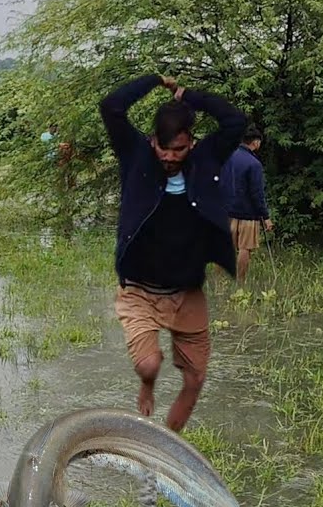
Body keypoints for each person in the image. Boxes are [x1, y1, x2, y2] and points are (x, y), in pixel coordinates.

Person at [99, 73, 247, 433]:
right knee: (149, 364)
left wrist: (187, 95)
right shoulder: (135, 155)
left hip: (187, 292)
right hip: (140, 289)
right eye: (162, 148)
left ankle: (166, 446)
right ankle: (147, 383)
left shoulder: (207, 157)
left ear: (191, 143)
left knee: (195, 380)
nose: (169, 156)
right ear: (152, 141)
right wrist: (153, 80)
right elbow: (111, 106)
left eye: (178, 149)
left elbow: (236, 121)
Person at [223, 129, 273, 285]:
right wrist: (265, 217)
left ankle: (220, 283)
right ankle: (240, 283)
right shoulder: (254, 164)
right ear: (255, 142)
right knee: (245, 248)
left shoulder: (228, 157)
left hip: (227, 209)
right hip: (248, 213)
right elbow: (257, 193)